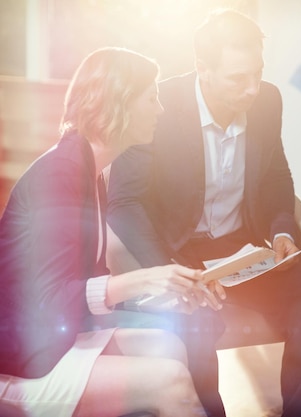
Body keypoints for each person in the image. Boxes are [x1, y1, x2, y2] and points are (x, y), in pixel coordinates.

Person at [106, 8, 301, 417]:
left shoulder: (268, 100)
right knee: (194, 324)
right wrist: (167, 273)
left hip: (244, 251)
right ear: (202, 69)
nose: (252, 89)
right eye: (238, 78)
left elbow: (276, 176)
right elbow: (124, 202)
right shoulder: (157, 106)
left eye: (257, 73)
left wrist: (283, 231)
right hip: (178, 255)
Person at [0, 47, 212, 417]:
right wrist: (148, 279)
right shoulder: (60, 172)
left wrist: (164, 290)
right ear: (120, 103)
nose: (160, 109)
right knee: (171, 381)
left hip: (51, 339)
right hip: (21, 356)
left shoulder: (88, 169)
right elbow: (52, 299)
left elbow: (85, 288)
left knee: (169, 345)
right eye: (152, 98)